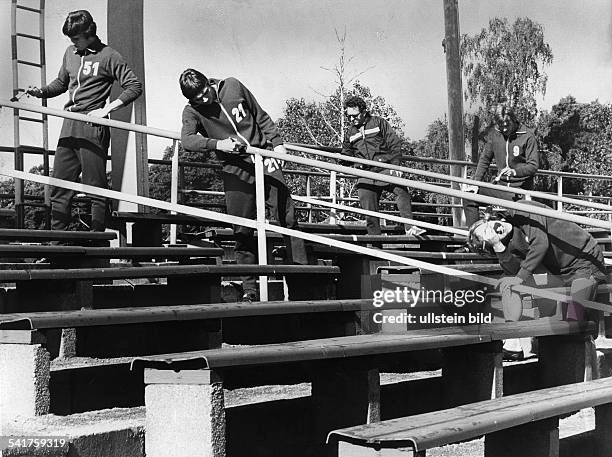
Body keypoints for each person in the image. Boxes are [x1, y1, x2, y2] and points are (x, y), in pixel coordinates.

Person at [179, 69, 308, 302]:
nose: (204, 99)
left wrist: (277, 144)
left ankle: (303, 282)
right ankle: (250, 289)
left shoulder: (233, 86)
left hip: (264, 157)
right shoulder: (192, 111)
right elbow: (187, 139)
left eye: (205, 93)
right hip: (235, 169)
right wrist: (218, 145)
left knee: (287, 219)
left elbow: (259, 114)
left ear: (209, 83)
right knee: (242, 228)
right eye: (197, 98)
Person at [27, 10, 142, 232]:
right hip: (69, 124)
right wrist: (41, 91)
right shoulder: (70, 52)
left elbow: (134, 86)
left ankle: (98, 241)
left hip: (92, 126)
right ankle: (56, 243)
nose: (72, 43)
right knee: (60, 185)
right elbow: (61, 83)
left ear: (89, 34)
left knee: (95, 187)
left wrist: (106, 109)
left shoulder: (109, 55)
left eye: (76, 39)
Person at [468, 201, 607, 359]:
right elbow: (514, 271)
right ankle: (513, 343)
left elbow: (540, 243)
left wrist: (520, 277)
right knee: (508, 282)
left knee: (573, 322)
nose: (493, 230)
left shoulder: (520, 210)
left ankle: (583, 346)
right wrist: (499, 246)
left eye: (487, 226)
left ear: (490, 218)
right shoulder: (506, 244)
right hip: (557, 271)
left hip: (584, 260)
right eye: (488, 235)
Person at [340, 95, 424, 237]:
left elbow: (395, 144)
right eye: (349, 117)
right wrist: (344, 161)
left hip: (385, 167)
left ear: (364, 111)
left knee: (401, 190)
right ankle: (375, 241)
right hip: (365, 173)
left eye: (354, 116)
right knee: (368, 208)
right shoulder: (350, 132)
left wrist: (396, 167)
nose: (351, 119)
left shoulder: (379, 123)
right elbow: (346, 153)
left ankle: (410, 227)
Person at [461, 102, 539, 227]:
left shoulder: (527, 136)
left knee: (516, 227)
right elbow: (485, 159)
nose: (504, 129)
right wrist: (476, 183)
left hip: (519, 191)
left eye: (507, 125)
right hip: (499, 187)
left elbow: (533, 166)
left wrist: (515, 172)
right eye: (500, 125)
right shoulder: (495, 135)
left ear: (514, 120)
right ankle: (475, 235)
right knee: (468, 196)